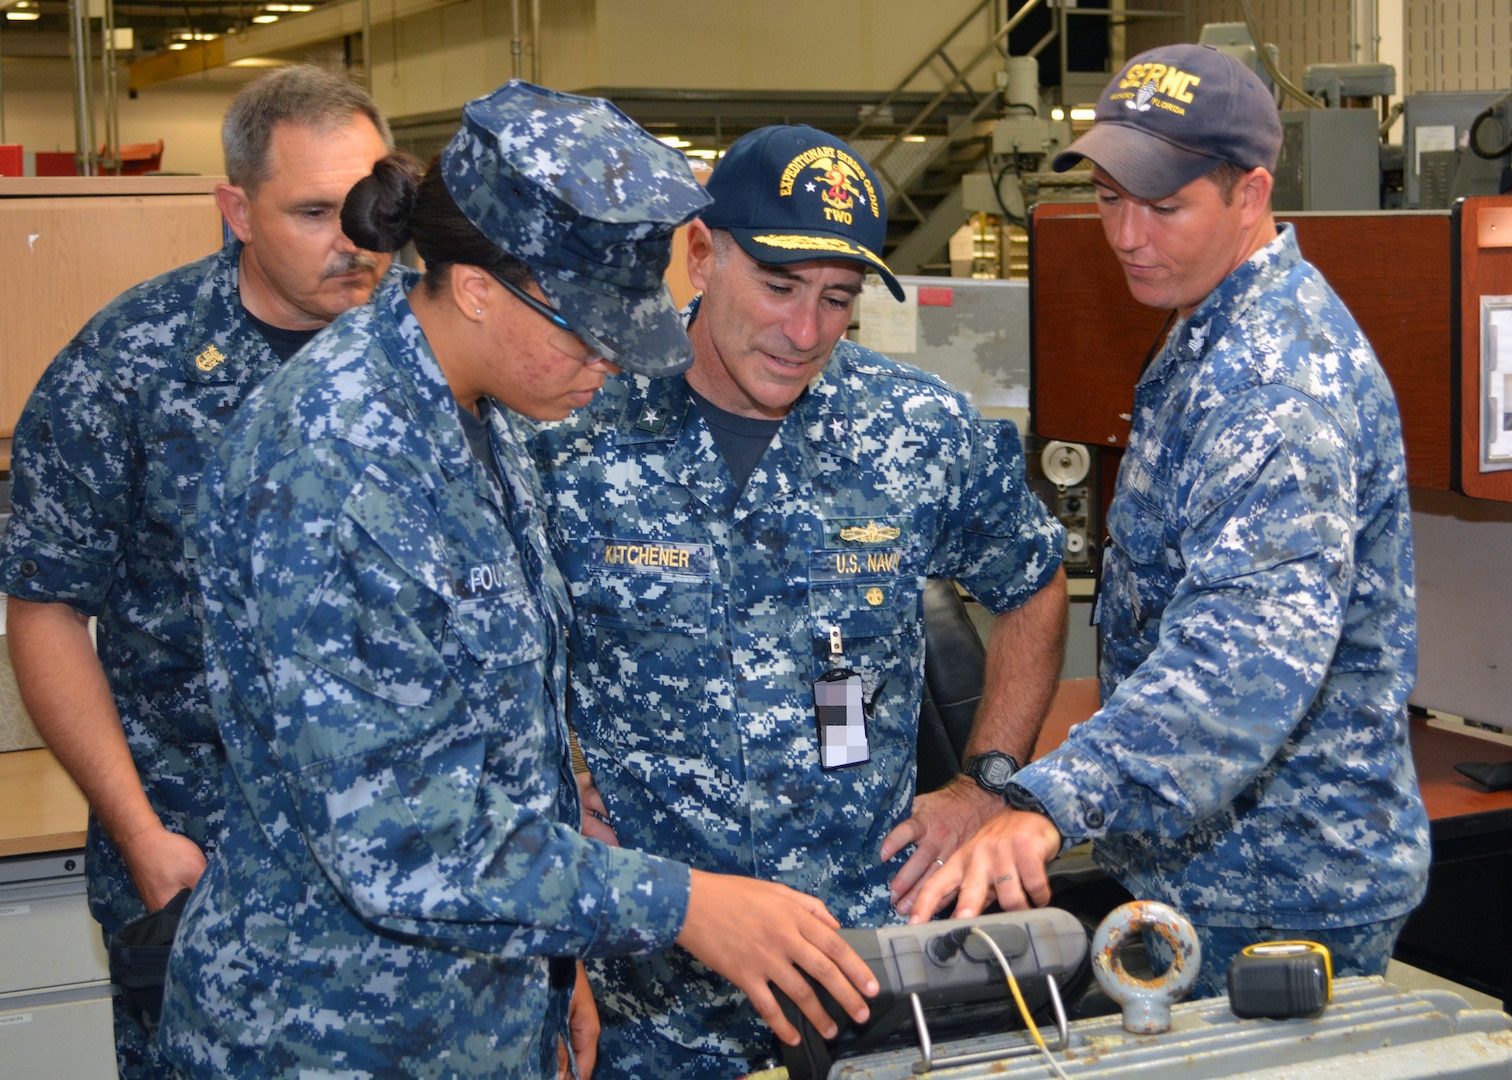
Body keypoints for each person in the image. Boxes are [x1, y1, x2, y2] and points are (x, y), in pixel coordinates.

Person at [157, 82, 879, 1080]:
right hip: (335, 1035)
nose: (611, 369)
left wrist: (556, 958)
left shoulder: (482, 413)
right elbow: (400, 840)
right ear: (477, 286)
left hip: (480, 1008)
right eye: (585, 334)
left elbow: (493, 728)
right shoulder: (340, 469)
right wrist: (686, 904)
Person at [533, 123, 1069, 1077]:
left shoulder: (914, 430)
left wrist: (985, 785)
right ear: (700, 254)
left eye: (838, 299)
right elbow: (498, 646)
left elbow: (1031, 582)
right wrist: (543, 793)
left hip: (859, 975)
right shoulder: (575, 423)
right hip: (644, 988)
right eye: (778, 287)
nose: (806, 332)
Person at [909, 43, 1432, 996]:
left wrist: (1049, 805)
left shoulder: (1273, 387)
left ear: (1249, 193)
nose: (1127, 236)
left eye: (1164, 205)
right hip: (1215, 872)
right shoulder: (1210, 326)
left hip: (1280, 891)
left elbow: (1238, 661)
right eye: (1110, 198)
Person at [0, 64, 393, 1076]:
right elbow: (45, 610)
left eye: (363, 205)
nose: (351, 241)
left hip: (405, 871)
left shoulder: (434, 357)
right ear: (235, 209)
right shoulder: (130, 365)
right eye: (311, 212)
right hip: (202, 863)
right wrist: (139, 833)